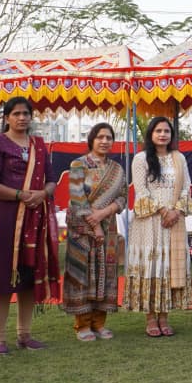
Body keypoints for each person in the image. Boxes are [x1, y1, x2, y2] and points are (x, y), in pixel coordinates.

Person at [0, 97, 61, 355]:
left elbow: (51, 180)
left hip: (35, 217)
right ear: (7, 118)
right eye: (16, 114)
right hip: (5, 218)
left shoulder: (39, 145)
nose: (22, 118)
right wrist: (19, 195)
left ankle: (25, 335)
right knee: (4, 276)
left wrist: (41, 194)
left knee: (28, 275)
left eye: (26, 113)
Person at [126, 117, 192, 337]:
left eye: (166, 131)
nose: (163, 134)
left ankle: (164, 317)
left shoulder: (179, 158)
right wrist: (164, 211)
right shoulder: (141, 158)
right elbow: (142, 191)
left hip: (174, 221)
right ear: (151, 134)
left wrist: (175, 212)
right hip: (149, 222)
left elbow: (186, 187)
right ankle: (150, 318)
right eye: (158, 131)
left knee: (169, 266)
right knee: (152, 265)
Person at [62, 123, 126, 341]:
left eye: (109, 137)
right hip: (82, 230)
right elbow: (77, 197)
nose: (105, 141)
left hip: (108, 228)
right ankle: (82, 325)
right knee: (83, 273)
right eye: (100, 137)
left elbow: (123, 197)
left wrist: (104, 214)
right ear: (92, 139)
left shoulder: (117, 170)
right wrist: (95, 224)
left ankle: (99, 323)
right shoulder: (79, 164)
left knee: (105, 273)